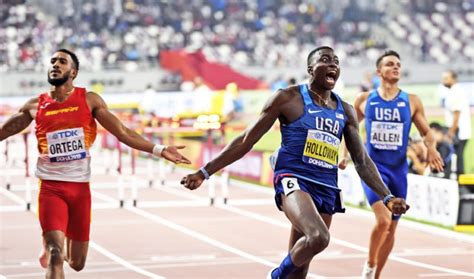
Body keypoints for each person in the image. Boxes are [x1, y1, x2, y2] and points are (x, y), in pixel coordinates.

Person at [181, 46, 409, 279]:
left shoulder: (346, 110)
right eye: (326, 60)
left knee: (300, 271)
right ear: (310, 69)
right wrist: (204, 172)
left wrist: (387, 196)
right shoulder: (287, 98)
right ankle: (275, 276)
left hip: (327, 187)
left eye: (336, 62)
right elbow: (246, 141)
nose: (333, 65)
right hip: (294, 179)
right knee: (319, 237)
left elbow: (361, 160)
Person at [0, 49, 191, 279]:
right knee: (55, 254)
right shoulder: (35, 106)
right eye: (52, 61)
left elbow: (122, 132)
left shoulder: (89, 100)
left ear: (74, 72)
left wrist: (159, 149)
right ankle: (50, 245)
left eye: (62, 61)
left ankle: (52, 243)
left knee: (77, 263)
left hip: (80, 190)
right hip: (51, 189)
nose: (55, 65)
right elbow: (5, 130)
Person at [339, 50, 444, 279]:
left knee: (392, 227)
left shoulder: (411, 101)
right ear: (379, 71)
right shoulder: (365, 99)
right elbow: (350, 130)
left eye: (398, 64)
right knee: (383, 220)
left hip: (399, 170)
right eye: (389, 64)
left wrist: (432, 148)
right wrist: (344, 155)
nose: (395, 67)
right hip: (373, 170)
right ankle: (369, 265)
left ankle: (376, 275)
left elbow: (426, 132)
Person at [441, 70, 471, 177]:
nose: (443, 81)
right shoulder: (455, 91)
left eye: (446, 78)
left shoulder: (455, 93)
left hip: (458, 130)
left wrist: (451, 132)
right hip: (460, 130)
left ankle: (459, 182)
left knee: (456, 156)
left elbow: (457, 114)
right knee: (458, 156)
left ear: (454, 79)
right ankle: (459, 181)